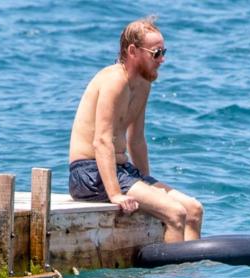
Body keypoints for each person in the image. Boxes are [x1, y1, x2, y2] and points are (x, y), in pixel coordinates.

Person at [68, 16, 203, 243]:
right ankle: (169, 277)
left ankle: (187, 277)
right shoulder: (114, 81)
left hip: (123, 171)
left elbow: (137, 140)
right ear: (133, 51)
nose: (162, 60)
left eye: (163, 52)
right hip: (90, 173)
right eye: (156, 53)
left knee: (193, 209)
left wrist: (146, 183)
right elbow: (101, 141)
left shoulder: (143, 84)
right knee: (175, 213)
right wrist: (115, 195)